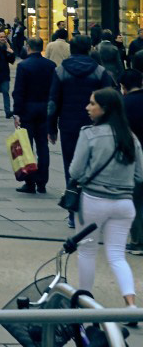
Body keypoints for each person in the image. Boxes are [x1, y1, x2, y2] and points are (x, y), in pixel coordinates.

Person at [70, 87, 143, 310]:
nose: (88, 107)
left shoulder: (89, 134)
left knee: (87, 251)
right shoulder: (130, 137)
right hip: (124, 204)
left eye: (93, 104)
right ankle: (130, 304)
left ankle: (86, 302)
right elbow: (140, 174)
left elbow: (75, 171)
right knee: (117, 255)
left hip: (93, 201)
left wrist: (86, 177)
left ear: (105, 108)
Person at [50, 35, 114, 226]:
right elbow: (109, 100)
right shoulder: (99, 71)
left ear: (72, 50)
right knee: (97, 167)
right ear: (89, 50)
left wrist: (51, 127)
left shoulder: (61, 70)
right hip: (96, 126)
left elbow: (53, 102)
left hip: (69, 125)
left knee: (71, 167)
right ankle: (97, 211)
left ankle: (73, 211)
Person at [13, 37, 55, 194]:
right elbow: (53, 91)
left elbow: (19, 91)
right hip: (45, 111)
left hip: (27, 111)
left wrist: (16, 113)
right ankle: (42, 182)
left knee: (27, 147)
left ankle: (29, 182)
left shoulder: (23, 66)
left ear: (28, 47)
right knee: (43, 146)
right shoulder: (50, 65)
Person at [121, 70, 143, 254]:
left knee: (136, 200)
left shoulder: (124, 104)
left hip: (134, 157)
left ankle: (137, 241)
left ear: (124, 87)